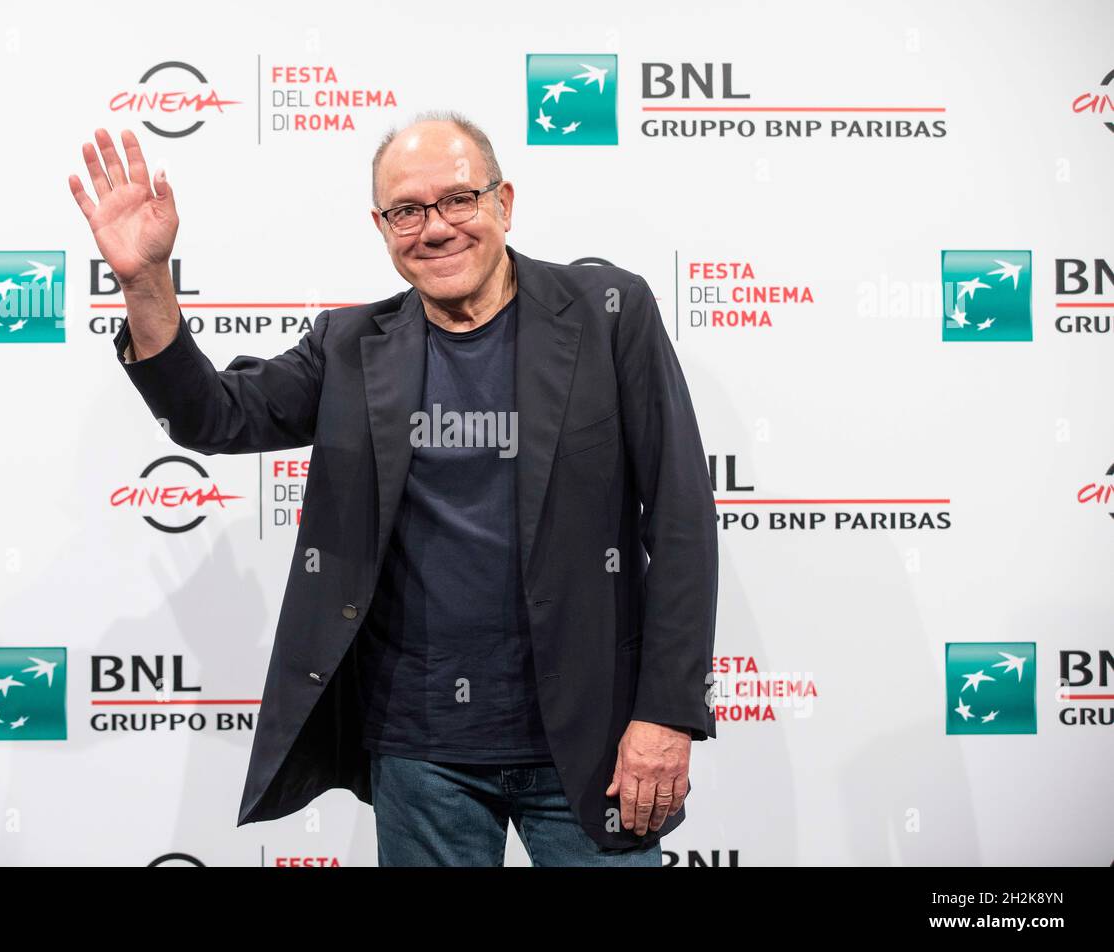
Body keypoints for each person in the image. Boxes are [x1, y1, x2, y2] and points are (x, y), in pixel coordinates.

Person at [67, 111, 718, 866]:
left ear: (504, 203)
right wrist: (145, 281)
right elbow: (213, 416)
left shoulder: (609, 315)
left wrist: (667, 715)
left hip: (594, 738)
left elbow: (679, 522)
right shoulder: (350, 347)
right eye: (407, 211)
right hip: (420, 751)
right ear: (381, 227)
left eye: (458, 200)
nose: (435, 228)